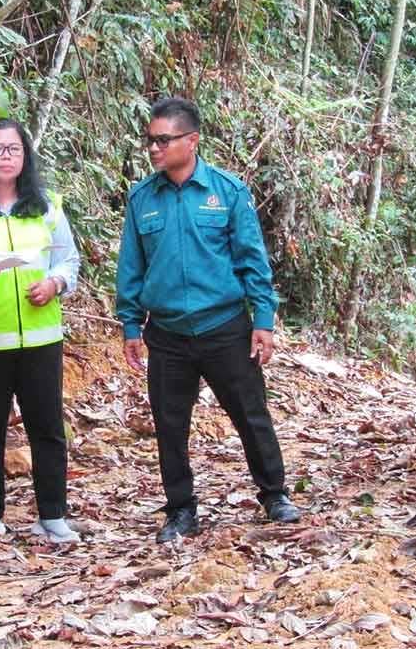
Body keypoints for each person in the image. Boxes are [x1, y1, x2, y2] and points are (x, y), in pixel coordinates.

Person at [115, 97, 301, 544]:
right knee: (170, 424)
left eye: (163, 140)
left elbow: (252, 261)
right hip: (169, 334)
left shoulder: (227, 192)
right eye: (150, 141)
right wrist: (129, 324)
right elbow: (131, 267)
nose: (154, 149)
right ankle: (180, 510)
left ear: (191, 141)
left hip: (224, 328)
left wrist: (263, 319)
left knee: (250, 414)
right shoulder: (143, 199)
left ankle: (274, 494)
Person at [0, 118, 82, 544]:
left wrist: (55, 283)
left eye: (15, 149)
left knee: (47, 426)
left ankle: (53, 514)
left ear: (26, 157)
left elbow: (69, 261)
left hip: (41, 338)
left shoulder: (47, 205)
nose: (7, 157)